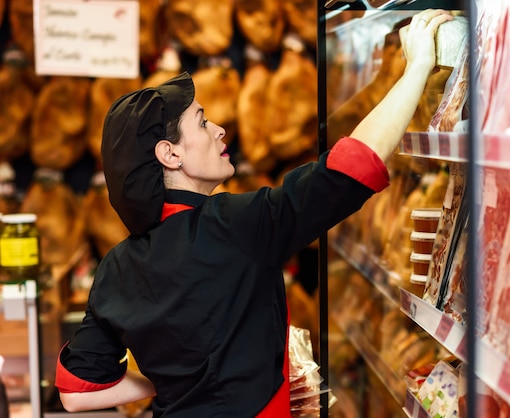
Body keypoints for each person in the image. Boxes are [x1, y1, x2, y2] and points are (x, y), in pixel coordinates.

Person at [54, 9, 454, 417]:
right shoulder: (234, 226)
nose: (219, 130)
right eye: (202, 122)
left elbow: (77, 392)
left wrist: (174, 381)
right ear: (169, 154)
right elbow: (349, 169)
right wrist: (417, 67)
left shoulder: (116, 268)